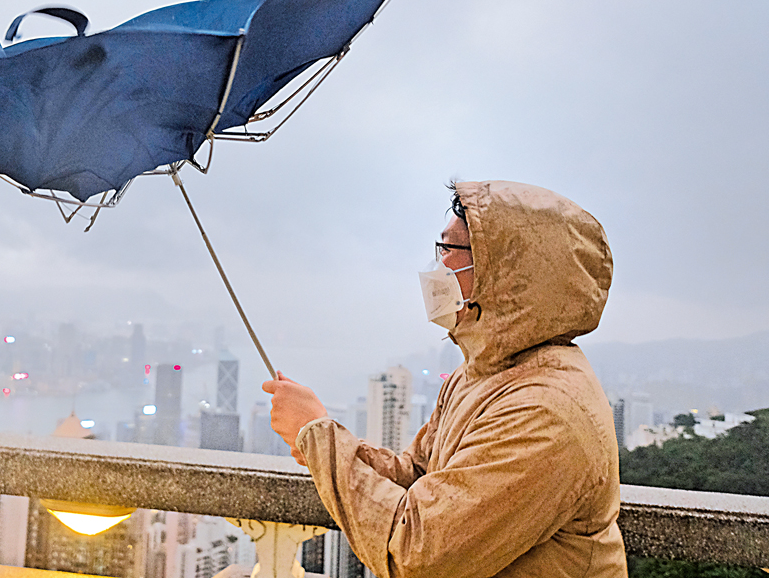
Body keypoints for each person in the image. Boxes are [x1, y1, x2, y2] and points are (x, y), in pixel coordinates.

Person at [263, 180, 626, 578]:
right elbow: (420, 476)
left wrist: (318, 437)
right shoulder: (482, 373)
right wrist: (324, 443)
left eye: (452, 249)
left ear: (509, 271)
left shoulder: (546, 411)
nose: (439, 265)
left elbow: (420, 552)